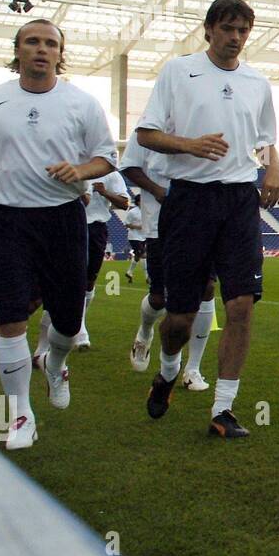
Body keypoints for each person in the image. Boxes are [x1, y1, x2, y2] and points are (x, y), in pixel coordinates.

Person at [0, 19, 117, 449]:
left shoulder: (81, 104)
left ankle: (54, 361)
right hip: (9, 221)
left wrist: (80, 170)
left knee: (66, 323)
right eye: (33, 42)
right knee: (8, 319)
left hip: (64, 219)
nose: (42, 49)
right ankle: (20, 416)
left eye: (51, 43)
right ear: (18, 50)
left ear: (60, 54)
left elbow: (106, 157)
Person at [136, 0, 279, 439]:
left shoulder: (258, 82)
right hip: (189, 202)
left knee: (240, 305)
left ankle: (224, 409)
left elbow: (267, 138)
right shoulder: (179, 71)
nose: (235, 38)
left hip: (239, 200)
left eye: (243, 31)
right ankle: (166, 374)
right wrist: (189, 145)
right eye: (228, 29)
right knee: (179, 319)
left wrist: (274, 167)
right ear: (209, 30)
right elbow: (146, 134)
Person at [121, 137, 215, 391]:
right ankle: (145, 332)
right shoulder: (152, 126)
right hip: (159, 226)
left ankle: (193, 369)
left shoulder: (203, 118)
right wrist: (156, 190)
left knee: (206, 289)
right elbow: (128, 165)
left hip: (200, 223)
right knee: (160, 299)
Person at [73, 170, 129, 350]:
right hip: (71, 224)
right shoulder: (72, 163)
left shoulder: (110, 173)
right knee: (75, 278)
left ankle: (78, 321)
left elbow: (125, 203)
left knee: (89, 281)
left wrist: (105, 192)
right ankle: (79, 330)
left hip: (96, 228)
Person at [124, 196, 146, 282]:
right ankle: (148, 277)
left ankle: (129, 272)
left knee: (138, 256)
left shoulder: (146, 211)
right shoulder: (132, 212)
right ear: (137, 202)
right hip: (134, 237)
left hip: (143, 236)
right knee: (144, 255)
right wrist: (137, 227)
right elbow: (127, 224)